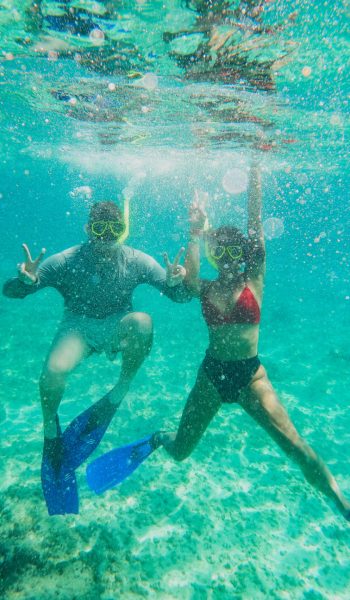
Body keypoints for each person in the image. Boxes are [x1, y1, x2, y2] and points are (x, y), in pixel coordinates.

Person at [87, 163, 350, 520]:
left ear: (244, 255)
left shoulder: (254, 278)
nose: (226, 261)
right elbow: (190, 277)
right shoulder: (206, 287)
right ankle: (159, 438)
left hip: (250, 377)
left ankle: (343, 505)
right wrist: (196, 230)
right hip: (212, 375)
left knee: (294, 446)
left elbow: (255, 224)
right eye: (219, 254)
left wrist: (255, 170)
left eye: (233, 253)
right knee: (180, 451)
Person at [2, 200, 188, 515]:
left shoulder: (137, 260)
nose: (105, 237)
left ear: (122, 231)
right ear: (88, 229)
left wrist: (175, 284)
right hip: (78, 328)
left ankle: (121, 388)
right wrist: (24, 283)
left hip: (118, 326)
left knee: (143, 322)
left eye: (113, 230)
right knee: (54, 371)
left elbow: (180, 297)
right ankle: (51, 430)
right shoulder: (65, 260)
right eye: (99, 229)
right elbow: (11, 292)